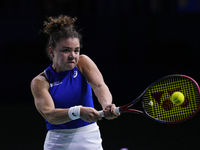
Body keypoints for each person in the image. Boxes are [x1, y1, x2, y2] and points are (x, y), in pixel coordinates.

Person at [30, 15, 119, 150]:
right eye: (66, 50)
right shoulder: (40, 82)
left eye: (76, 50)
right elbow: (50, 115)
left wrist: (107, 105)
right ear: (52, 51)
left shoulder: (82, 62)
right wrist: (78, 111)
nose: (73, 55)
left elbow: (99, 86)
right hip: (58, 142)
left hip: (89, 138)